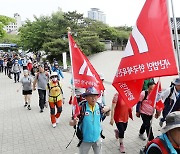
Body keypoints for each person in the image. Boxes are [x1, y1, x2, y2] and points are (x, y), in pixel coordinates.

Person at [69, 87, 110, 154]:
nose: (93, 98)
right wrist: (74, 122)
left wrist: (108, 109)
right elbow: (71, 123)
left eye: (95, 96)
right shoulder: (81, 108)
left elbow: (107, 114)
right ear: (86, 97)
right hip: (85, 140)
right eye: (91, 96)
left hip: (97, 138)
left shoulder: (99, 107)